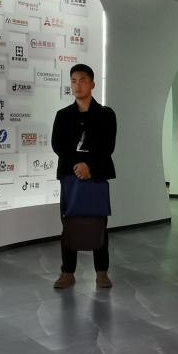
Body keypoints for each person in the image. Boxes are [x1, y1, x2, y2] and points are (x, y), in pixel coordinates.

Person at [51, 63, 117, 290]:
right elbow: (58, 145)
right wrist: (78, 166)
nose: (77, 85)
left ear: (92, 84)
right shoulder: (63, 115)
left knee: (98, 222)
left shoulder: (106, 114)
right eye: (73, 81)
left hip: (96, 176)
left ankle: (102, 272)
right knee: (69, 223)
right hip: (70, 177)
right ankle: (67, 272)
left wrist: (90, 166)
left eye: (82, 80)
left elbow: (108, 146)